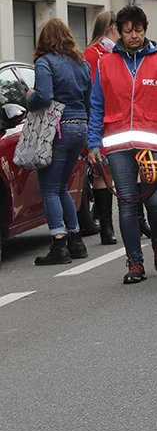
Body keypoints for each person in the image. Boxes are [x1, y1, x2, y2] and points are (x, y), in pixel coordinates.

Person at [87, 5, 157, 284]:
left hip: (153, 143)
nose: (134, 36)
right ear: (118, 31)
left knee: (154, 201)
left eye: (138, 31)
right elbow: (96, 104)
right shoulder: (105, 63)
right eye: (128, 31)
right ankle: (134, 262)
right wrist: (93, 142)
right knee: (128, 204)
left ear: (145, 30)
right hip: (117, 146)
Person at [25, 19, 92, 265]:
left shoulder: (45, 62)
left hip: (58, 129)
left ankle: (58, 243)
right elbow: (88, 99)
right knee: (62, 186)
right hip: (80, 127)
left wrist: (29, 98)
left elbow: (44, 96)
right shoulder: (82, 64)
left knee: (49, 189)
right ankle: (76, 240)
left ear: (44, 39)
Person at [83, 11, 118, 244]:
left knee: (112, 173)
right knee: (102, 172)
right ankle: (106, 226)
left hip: (116, 119)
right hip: (99, 119)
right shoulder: (93, 54)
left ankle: (112, 221)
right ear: (111, 27)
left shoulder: (115, 52)